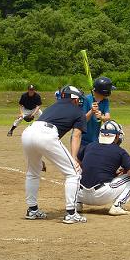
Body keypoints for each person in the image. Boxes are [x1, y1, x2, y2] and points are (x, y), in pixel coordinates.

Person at [21, 85, 88, 224]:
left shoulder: (54, 106)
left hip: (28, 132)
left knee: (33, 173)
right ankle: (71, 213)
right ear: (74, 99)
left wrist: (39, 153)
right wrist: (74, 158)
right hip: (46, 135)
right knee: (73, 173)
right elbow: (76, 135)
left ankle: (32, 210)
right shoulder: (79, 112)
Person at [76, 120, 130, 216]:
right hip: (102, 195)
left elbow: (79, 162)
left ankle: (77, 204)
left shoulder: (89, 146)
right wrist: (125, 170)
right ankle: (117, 206)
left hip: (80, 194)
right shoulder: (119, 151)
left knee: (76, 173)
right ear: (116, 136)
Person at [80, 76, 113, 149]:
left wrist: (101, 117)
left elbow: (107, 118)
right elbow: (82, 120)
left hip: (96, 139)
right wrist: (92, 111)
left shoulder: (105, 101)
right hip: (82, 139)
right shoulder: (86, 99)